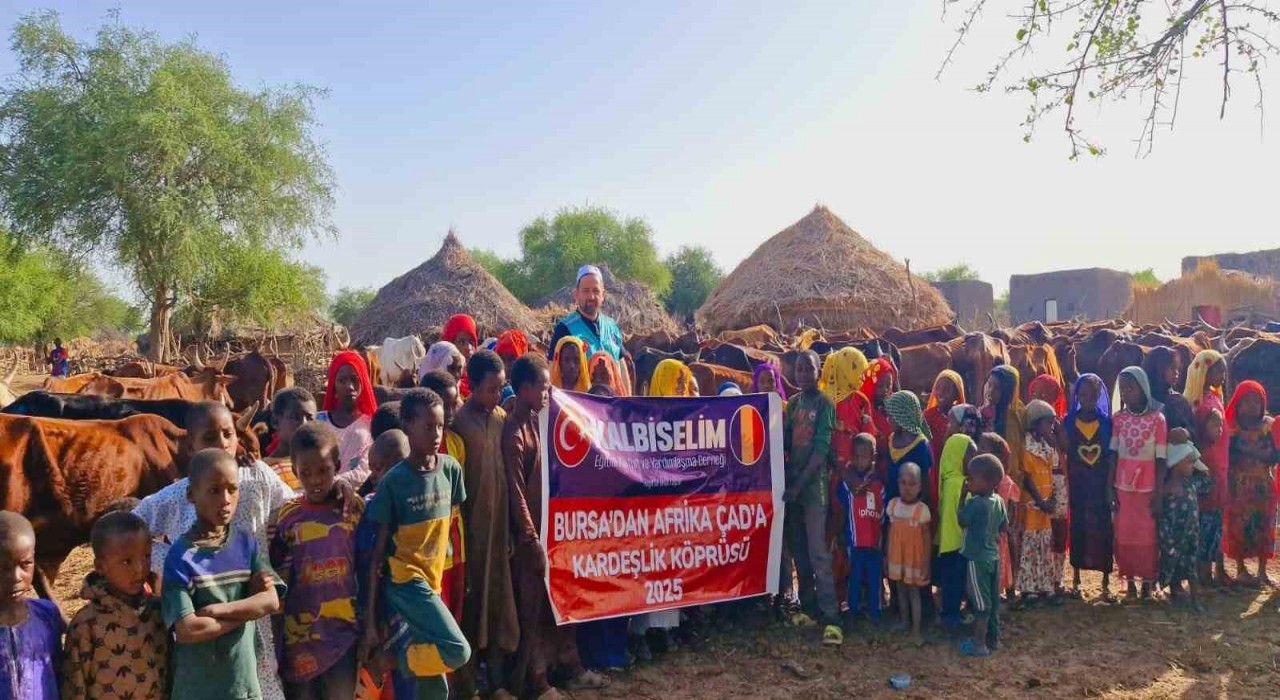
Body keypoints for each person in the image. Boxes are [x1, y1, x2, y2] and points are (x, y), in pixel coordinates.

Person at [133, 400, 294, 700]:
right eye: (209, 437)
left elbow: (294, 507)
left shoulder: (257, 477)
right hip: (200, 617)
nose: (222, 443)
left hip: (252, 610)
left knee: (260, 681)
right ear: (191, 445)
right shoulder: (180, 495)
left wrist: (344, 490)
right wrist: (167, 559)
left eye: (228, 434)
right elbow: (132, 525)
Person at [504, 355, 609, 698]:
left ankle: (569, 665)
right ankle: (536, 681)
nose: (549, 392)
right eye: (544, 387)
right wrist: (531, 537)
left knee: (561, 601)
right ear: (524, 389)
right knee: (531, 609)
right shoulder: (514, 433)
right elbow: (516, 491)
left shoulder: (538, 420)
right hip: (529, 537)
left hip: (554, 531)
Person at [362, 389, 472, 700]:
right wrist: (371, 621)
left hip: (433, 582)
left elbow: (449, 530)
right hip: (406, 582)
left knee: (434, 685)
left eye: (440, 426)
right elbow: (377, 555)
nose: (436, 434)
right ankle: (388, 661)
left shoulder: (450, 470)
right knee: (457, 651)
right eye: (428, 427)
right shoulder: (394, 482)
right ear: (408, 426)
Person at [162, 449, 285, 700]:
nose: (226, 499)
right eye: (214, 490)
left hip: (243, 685)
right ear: (190, 494)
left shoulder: (245, 543)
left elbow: (272, 601)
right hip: (198, 689)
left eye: (232, 489)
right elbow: (189, 629)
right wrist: (248, 611)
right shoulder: (181, 556)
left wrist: (220, 610)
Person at [269, 423, 363, 700]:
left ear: (337, 466)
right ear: (295, 472)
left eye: (324, 471)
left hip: (342, 633)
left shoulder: (350, 508)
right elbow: (275, 565)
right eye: (306, 473)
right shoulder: (289, 515)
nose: (316, 480)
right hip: (299, 634)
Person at [451, 350, 519, 697]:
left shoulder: (501, 418)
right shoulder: (458, 425)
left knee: (497, 604)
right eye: (491, 389)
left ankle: (496, 681)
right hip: (471, 533)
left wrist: (509, 528)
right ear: (473, 386)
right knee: (471, 606)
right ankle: (468, 685)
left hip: (498, 531)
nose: (497, 396)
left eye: (501, 389)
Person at [62, 512, 167, 700]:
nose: (140, 568)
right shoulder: (86, 624)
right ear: (100, 566)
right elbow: (75, 685)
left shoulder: (159, 611)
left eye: (146, 556)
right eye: (127, 561)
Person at [782, 350, 841, 645]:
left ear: (819, 372)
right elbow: (784, 442)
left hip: (813, 488)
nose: (803, 374)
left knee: (818, 551)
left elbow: (820, 452)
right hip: (793, 487)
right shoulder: (792, 405)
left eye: (809, 369)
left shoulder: (825, 404)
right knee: (800, 551)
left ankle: (831, 614)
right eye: (799, 369)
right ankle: (809, 607)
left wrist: (798, 484)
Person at [1109, 366, 1168, 599]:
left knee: (1147, 536)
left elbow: (1161, 459)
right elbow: (1113, 454)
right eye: (1122, 390)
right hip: (1123, 486)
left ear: (1143, 389)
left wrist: (1159, 493)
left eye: (1130, 388)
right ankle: (1130, 583)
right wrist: (1110, 488)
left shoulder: (1158, 419)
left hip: (1148, 487)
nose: (1125, 394)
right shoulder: (1119, 419)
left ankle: (1147, 583)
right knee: (1125, 535)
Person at [0, 511, 63, 700]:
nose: (16, 577)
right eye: (2, 568)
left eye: (25, 564)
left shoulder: (47, 615)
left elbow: (59, 669)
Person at [1065, 374, 1116, 600]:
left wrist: (1109, 486)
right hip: (1078, 483)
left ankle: (1105, 579)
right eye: (1082, 395)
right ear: (1076, 396)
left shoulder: (1106, 423)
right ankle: (1076, 576)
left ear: (1098, 396)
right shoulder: (1068, 421)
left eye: (1092, 395)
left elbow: (1110, 455)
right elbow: (1065, 451)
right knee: (1078, 527)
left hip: (1099, 483)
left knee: (1103, 528)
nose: (1087, 399)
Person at [1224, 380, 1277, 587]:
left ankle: (1262, 571)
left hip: (1264, 485)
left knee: (1264, 525)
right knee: (1239, 526)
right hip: (1238, 486)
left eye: (1257, 401)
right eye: (1247, 401)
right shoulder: (1231, 429)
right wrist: (1257, 452)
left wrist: (1254, 452)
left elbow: (1275, 455)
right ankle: (1241, 569)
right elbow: (1229, 454)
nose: (1252, 406)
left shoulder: (1269, 426)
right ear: (1237, 403)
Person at [1184, 349, 1229, 587]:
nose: (1222, 375)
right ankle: (1204, 572)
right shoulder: (1205, 403)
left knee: (1212, 517)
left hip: (1216, 464)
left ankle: (1209, 570)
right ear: (1205, 372)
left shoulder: (1203, 399)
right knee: (1207, 519)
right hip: (1209, 465)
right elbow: (1209, 435)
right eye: (1217, 370)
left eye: (1223, 370)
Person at [957, 454, 1009, 658]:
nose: (969, 481)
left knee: (981, 603)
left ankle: (979, 644)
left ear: (987, 482)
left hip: (977, 558)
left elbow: (962, 520)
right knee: (993, 601)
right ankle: (993, 639)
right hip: (993, 557)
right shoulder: (998, 501)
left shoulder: (976, 503)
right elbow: (1004, 526)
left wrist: (962, 497)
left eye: (972, 478)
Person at [832, 434, 884, 629]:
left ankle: (875, 613)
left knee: (874, 579)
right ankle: (852, 612)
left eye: (865, 457)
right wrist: (840, 535)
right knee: (853, 578)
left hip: (874, 543)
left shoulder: (879, 484)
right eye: (856, 457)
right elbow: (842, 510)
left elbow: (883, 513)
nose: (860, 461)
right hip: (854, 543)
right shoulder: (847, 484)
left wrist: (882, 537)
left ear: (873, 457)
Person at [982, 366, 1026, 593]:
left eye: (997, 387)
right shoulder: (984, 414)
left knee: (1011, 535)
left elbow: (1023, 451)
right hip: (988, 484)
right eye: (989, 385)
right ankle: (994, 584)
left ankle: (1013, 586)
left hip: (1011, 485)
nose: (991, 391)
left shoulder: (1019, 415)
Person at [936, 407, 978, 630]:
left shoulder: (947, 480)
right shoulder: (960, 484)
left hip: (946, 543)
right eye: (969, 455)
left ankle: (948, 616)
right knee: (955, 583)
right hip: (958, 544)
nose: (973, 460)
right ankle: (952, 620)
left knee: (949, 583)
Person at [1018, 400, 1062, 605]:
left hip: (1045, 507)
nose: (1051, 427)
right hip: (1033, 506)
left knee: (1044, 548)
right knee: (1031, 548)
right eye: (1048, 423)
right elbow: (1027, 478)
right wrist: (1040, 501)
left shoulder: (1045, 446)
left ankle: (1045, 586)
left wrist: (1051, 500)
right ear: (1035, 424)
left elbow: (1053, 469)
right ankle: (1029, 588)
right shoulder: (1027, 448)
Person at [1160, 442, 1212, 612]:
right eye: (1189, 461)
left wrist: (1192, 452)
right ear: (1176, 463)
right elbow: (1164, 518)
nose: (1192, 465)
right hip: (1173, 538)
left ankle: (1195, 600)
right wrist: (1166, 539)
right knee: (1172, 566)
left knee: (1191, 569)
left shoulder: (1191, 484)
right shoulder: (1167, 489)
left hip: (1191, 535)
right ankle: (1173, 594)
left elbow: (1207, 477)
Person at [886, 463, 932, 648]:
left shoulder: (922, 510)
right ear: (898, 484)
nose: (907, 488)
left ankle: (916, 630)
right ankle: (904, 621)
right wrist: (886, 555)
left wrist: (926, 562)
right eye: (903, 483)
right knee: (900, 590)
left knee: (914, 593)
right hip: (897, 557)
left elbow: (927, 539)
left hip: (914, 559)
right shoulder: (893, 505)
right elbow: (889, 533)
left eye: (912, 484)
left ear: (920, 486)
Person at [318, 350, 378, 487]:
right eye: (341, 380)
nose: (349, 387)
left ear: (363, 382)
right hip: (319, 495)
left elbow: (365, 469)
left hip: (357, 499)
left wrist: (332, 482)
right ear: (333, 385)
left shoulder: (370, 424)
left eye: (354, 380)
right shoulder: (319, 422)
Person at [547, 265, 626, 363]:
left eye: (596, 291)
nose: (591, 296)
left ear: (603, 295)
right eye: (586, 290)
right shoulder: (564, 329)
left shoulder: (612, 327)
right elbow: (553, 369)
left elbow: (621, 366)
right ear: (576, 294)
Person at [885, 391, 934, 508]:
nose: (888, 419)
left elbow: (926, 485)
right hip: (891, 507)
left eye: (891, 416)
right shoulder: (891, 438)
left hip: (911, 511)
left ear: (902, 415)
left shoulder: (921, 446)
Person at [265, 387, 318, 491]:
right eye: (295, 417)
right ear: (275, 422)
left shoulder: (320, 465)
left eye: (310, 418)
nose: (304, 424)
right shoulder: (265, 470)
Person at [1145, 347, 1196, 436]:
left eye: (1178, 369)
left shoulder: (1179, 401)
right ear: (1158, 369)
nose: (1177, 373)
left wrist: (1186, 433)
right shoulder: (1142, 399)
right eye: (1172, 368)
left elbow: (1193, 431)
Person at [924, 370, 966, 471]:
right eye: (937, 388)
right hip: (934, 467)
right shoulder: (927, 416)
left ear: (957, 394)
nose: (940, 393)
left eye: (946, 390)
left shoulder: (962, 418)